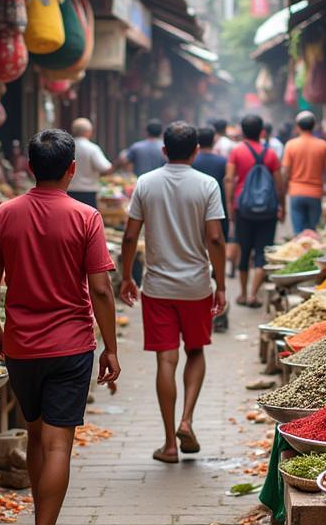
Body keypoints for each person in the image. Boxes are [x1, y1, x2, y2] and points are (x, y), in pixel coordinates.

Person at [0, 129, 120, 525]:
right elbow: (100, 288)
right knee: (58, 445)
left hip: (21, 346)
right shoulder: (86, 217)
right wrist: (111, 346)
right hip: (71, 345)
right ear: (72, 169)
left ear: (29, 167)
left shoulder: (4, 214)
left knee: (36, 436)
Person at [119, 122, 226, 463]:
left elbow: (129, 236)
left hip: (157, 286)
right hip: (196, 286)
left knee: (166, 359)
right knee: (195, 351)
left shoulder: (146, 183)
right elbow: (215, 239)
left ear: (164, 151)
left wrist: (126, 277)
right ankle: (187, 420)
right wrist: (220, 284)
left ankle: (168, 444)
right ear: (196, 151)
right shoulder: (207, 184)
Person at [225, 113, 283, 308]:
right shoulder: (271, 154)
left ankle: (242, 293)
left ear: (242, 130)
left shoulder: (236, 152)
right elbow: (279, 184)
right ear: (262, 131)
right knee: (262, 251)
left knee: (244, 248)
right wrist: (281, 205)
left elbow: (229, 179)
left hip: (244, 208)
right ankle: (253, 294)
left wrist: (230, 204)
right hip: (267, 209)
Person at [192, 126, 229, 333]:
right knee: (213, 255)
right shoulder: (222, 162)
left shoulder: (191, 162)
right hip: (216, 214)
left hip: (191, 217)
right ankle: (217, 310)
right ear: (213, 141)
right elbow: (216, 238)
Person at [283, 110, 326, 234]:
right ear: (314, 126)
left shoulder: (291, 145)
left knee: (299, 233)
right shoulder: (323, 146)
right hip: (315, 193)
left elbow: (286, 172)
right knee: (313, 232)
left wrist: (285, 190)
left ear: (297, 127)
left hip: (296, 192)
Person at [68, 117, 111, 209]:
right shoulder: (92, 148)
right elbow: (105, 168)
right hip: (87, 193)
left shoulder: (66, 147)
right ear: (88, 131)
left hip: (68, 191)